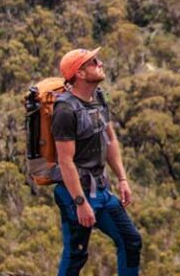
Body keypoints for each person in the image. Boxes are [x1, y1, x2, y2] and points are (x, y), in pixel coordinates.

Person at [52, 47, 142, 276]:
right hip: (75, 193)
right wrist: (80, 203)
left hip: (100, 189)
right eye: (93, 62)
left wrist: (122, 179)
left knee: (131, 240)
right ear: (80, 74)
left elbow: (109, 139)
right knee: (76, 254)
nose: (100, 63)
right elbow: (66, 161)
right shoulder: (65, 109)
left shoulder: (99, 97)